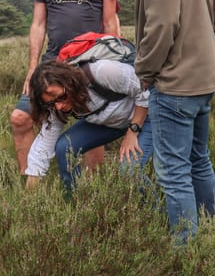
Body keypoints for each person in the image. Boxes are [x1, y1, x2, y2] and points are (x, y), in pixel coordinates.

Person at [135, 0, 215, 243]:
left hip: (174, 85)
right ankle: (210, 236)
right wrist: (199, 56)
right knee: (198, 160)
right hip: (205, 82)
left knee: (173, 172)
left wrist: (145, 70)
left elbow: (161, 25)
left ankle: (186, 252)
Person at [10, 0, 119, 176]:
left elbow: (110, 19)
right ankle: (29, 186)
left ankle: (94, 189)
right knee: (21, 118)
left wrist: (113, 61)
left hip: (91, 62)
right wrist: (32, 69)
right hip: (53, 63)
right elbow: (38, 24)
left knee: (94, 121)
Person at [24, 59, 151, 196]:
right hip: (110, 124)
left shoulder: (104, 71)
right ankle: (76, 201)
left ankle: (157, 212)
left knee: (129, 171)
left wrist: (132, 132)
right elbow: (43, 148)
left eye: (61, 97)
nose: (59, 106)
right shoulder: (57, 107)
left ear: (70, 82)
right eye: (51, 103)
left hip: (146, 118)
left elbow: (144, 90)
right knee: (64, 148)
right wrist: (29, 198)